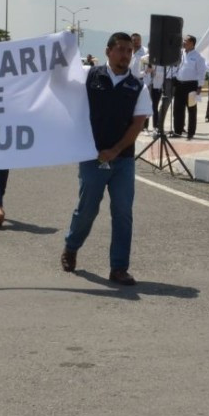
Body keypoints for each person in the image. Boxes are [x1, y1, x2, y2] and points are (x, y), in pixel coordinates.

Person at [61, 32, 152, 286]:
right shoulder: (89, 76)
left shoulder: (137, 86)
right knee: (87, 210)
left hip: (122, 160)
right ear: (108, 51)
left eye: (128, 51)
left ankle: (119, 268)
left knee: (123, 213)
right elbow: (59, 78)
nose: (125, 55)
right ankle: (71, 246)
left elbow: (138, 124)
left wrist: (116, 149)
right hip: (92, 157)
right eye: (120, 49)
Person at [170, 35, 207, 140]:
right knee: (177, 109)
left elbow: (201, 72)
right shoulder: (180, 53)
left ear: (192, 43)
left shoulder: (198, 56)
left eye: (185, 41)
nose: (183, 42)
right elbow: (175, 67)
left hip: (191, 85)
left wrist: (200, 85)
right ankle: (178, 131)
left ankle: (191, 132)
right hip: (179, 84)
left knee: (191, 109)